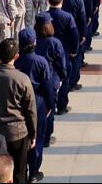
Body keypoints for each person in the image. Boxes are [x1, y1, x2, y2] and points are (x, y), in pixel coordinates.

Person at [0, 38, 37, 184]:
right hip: (17, 134)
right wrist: (33, 134)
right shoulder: (22, 79)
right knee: (19, 173)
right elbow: (30, 110)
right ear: (16, 56)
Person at [16, 29, 56, 182]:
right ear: (34, 43)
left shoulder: (15, 60)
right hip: (37, 101)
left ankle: (22, 170)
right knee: (37, 137)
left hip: (19, 102)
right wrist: (50, 105)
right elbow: (48, 86)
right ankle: (33, 172)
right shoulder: (40, 61)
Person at [34, 11, 68, 147]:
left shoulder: (34, 41)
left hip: (35, 80)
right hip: (51, 79)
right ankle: (46, 137)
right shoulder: (54, 43)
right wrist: (63, 76)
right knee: (49, 108)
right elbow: (61, 63)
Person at [46, 0, 79, 107]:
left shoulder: (43, 16)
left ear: (48, 1)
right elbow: (74, 35)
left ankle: (50, 103)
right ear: (62, 2)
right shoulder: (67, 16)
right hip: (63, 50)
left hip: (46, 50)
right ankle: (62, 105)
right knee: (64, 77)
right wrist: (74, 51)